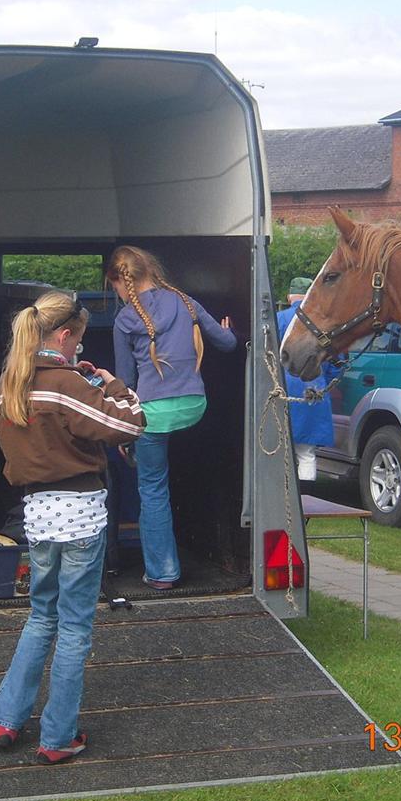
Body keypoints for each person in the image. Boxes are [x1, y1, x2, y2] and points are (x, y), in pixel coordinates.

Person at [0, 290, 145, 765]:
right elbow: (130, 424)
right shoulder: (67, 384)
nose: (79, 349)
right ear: (62, 335)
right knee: (75, 628)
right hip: (80, 515)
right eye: (77, 340)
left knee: (41, 616)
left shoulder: (9, 384)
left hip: (37, 516)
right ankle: (58, 738)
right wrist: (114, 385)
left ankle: (5, 719)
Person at [106, 246, 237, 590]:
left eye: (115, 286)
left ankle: (162, 573)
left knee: (152, 488)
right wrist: (229, 329)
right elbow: (226, 344)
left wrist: (124, 435)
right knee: (178, 460)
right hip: (195, 407)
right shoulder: (186, 301)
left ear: (121, 280)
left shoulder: (125, 319)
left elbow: (126, 382)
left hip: (153, 414)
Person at [276, 277, 341, 488]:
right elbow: (337, 362)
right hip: (313, 390)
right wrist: (326, 383)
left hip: (281, 391)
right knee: (306, 454)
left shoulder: (278, 319)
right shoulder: (323, 322)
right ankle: (305, 505)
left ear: (289, 296)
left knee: (280, 452)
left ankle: (283, 501)